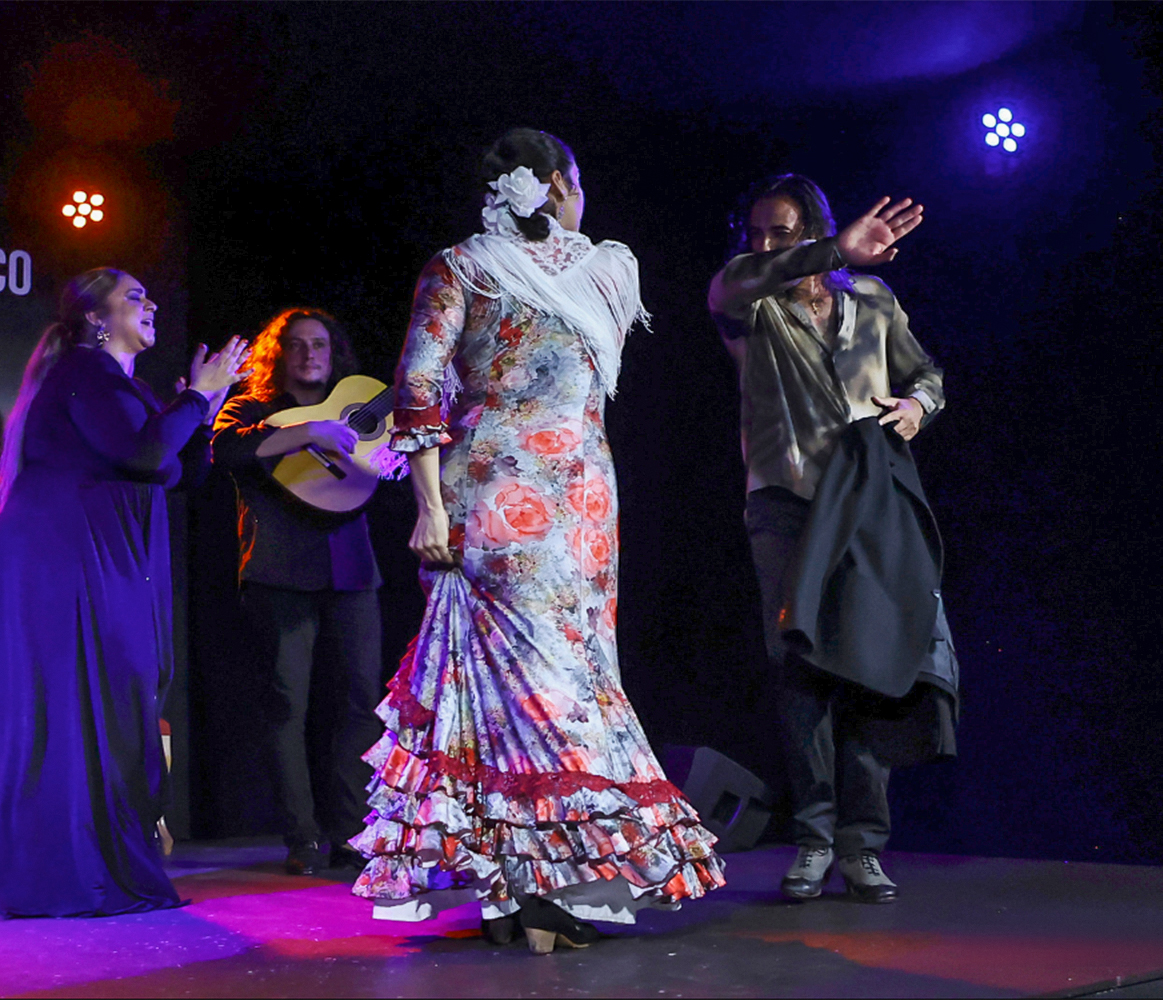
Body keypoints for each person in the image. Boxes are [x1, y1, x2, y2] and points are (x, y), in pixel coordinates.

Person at [349, 129, 725, 954]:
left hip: (496, 485)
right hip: (576, 485)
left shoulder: (463, 266)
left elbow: (419, 387)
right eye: (576, 183)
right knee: (564, 679)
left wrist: (430, 508)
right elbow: (428, 389)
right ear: (557, 184)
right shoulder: (605, 269)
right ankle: (549, 888)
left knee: (505, 689)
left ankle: (517, 888)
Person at [0, 267, 249, 916]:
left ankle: (99, 861)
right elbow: (146, 454)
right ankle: (72, 872)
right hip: (70, 564)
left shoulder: (121, 387)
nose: (150, 303)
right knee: (82, 706)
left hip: (105, 561)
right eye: (133, 296)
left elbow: (177, 473)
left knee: (118, 698)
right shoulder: (84, 373)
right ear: (96, 319)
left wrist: (203, 411)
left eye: (149, 294)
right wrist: (194, 398)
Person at [707, 174, 939, 905]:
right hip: (786, 503)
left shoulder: (873, 300)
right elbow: (734, 282)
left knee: (867, 663)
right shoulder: (751, 302)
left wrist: (916, 406)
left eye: (781, 232)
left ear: (810, 227)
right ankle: (812, 839)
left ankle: (862, 845)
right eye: (757, 234)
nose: (764, 244)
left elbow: (926, 373)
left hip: (867, 503)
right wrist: (831, 250)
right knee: (801, 668)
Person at [211, 308, 386, 877]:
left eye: (320, 345)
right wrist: (307, 432)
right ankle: (302, 837)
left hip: (352, 570)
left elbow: (392, 464)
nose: (310, 354)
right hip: (279, 572)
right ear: (280, 354)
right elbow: (226, 449)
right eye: (298, 345)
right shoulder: (250, 408)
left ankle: (351, 833)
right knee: (288, 704)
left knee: (361, 700)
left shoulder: (357, 408)